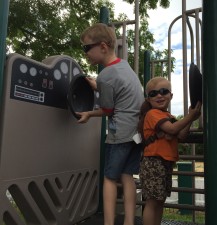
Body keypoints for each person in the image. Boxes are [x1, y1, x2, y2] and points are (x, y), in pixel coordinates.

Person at [77, 23, 144, 225]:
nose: (86, 53)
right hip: (136, 134)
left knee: (109, 178)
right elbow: (119, 90)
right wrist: (98, 86)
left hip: (120, 135)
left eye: (87, 48)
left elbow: (108, 110)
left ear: (103, 46)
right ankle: (129, 222)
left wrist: (89, 113)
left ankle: (108, 222)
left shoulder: (105, 75)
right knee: (127, 176)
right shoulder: (124, 66)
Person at [138, 77, 201, 225]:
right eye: (153, 94)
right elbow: (172, 129)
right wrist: (190, 116)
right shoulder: (152, 114)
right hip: (153, 162)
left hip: (165, 162)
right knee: (152, 202)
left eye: (164, 91)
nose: (159, 95)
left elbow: (181, 135)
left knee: (160, 201)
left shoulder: (169, 117)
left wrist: (190, 117)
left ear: (171, 96)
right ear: (148, 99)